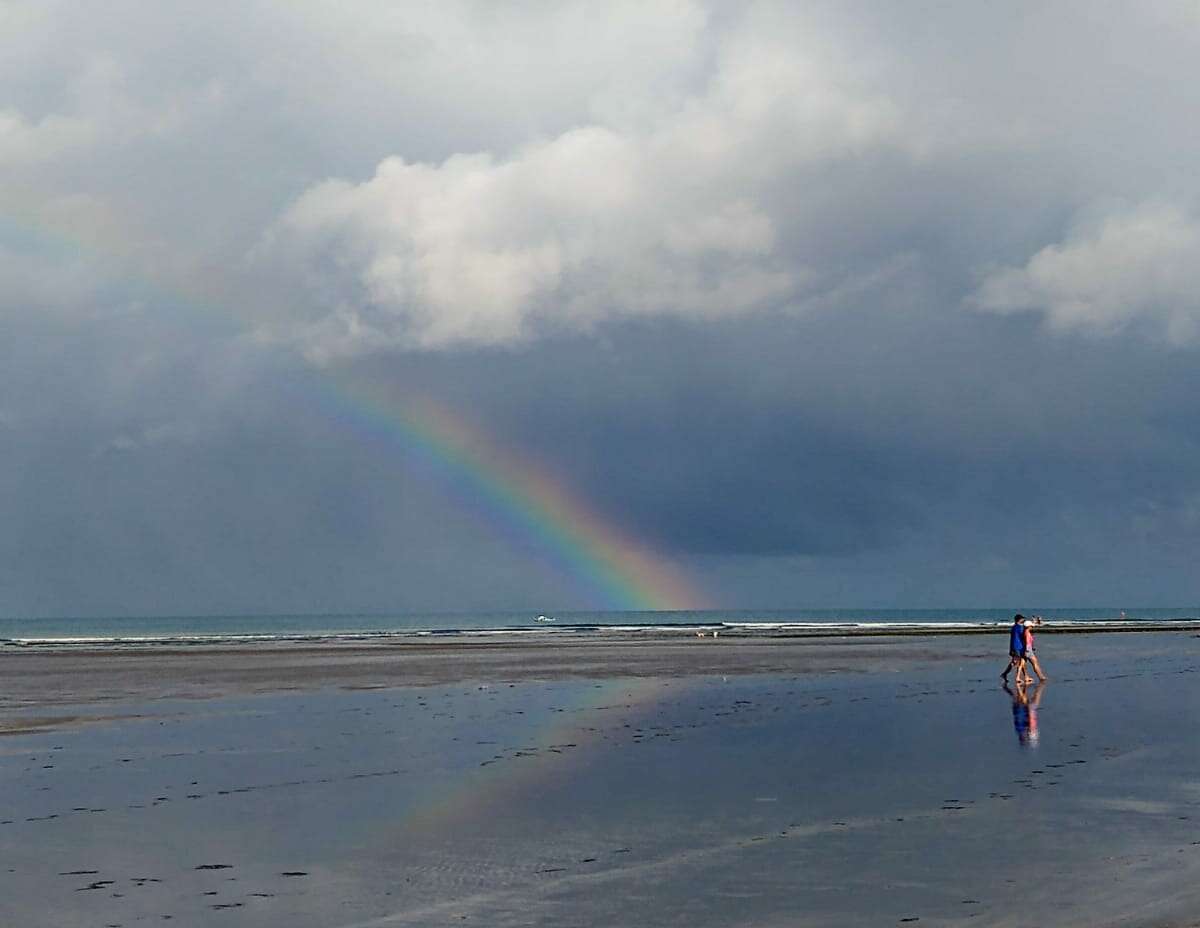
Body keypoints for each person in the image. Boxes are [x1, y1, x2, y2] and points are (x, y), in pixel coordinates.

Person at [1001, 614, 1027, 683]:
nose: (1023, 620)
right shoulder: (1019, 627)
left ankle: (1025, 676)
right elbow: (1023, 635)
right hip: (1017, 647)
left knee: (1019, 661)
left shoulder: (1014, 627)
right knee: (1016, 662)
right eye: (1022, 619)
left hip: (1016, 646)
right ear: (1019, 620)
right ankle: (1006, 674)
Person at [1021, 615, 1047, 682]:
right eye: (1031, 626)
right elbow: (1027, 641)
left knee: (1023, 663)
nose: (1032, 627)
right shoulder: (1027, 633)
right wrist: (1027, 649)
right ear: (1028, 626)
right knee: (1035, 663)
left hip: (1026, 649)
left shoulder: (1024, 632)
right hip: (1028, 650)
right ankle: (1041, 676)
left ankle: (1026, 677)